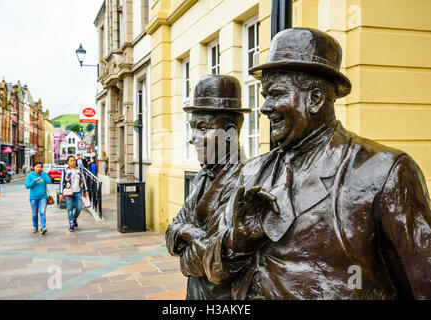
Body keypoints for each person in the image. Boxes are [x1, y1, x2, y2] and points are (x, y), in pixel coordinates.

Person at [203, 28, 431, 299]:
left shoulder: (383, 171)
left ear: (315, 99)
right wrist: (236, 243)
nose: (264, 107)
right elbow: (212, 271)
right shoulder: (252, 173)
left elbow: (423, 281)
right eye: (265, 96)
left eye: (275, 94)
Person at [166, 75, 249, 300]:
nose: (193, 138)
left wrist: (185, 235)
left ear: (230, 133)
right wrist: (189, 231)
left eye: (203, 128)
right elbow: (171, 231)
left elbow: (210, 264)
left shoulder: (246, 182)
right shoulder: (202, 176)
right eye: (193, 128)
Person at [59, 155, 89, 232]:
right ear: (68, 162)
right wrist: (61, 193)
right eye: (71, 161)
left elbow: (84, 180)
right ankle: (71, 223)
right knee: (69, 208)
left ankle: (74, 218)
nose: (73, 162)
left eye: (74, 160)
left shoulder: (80, 170)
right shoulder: (65, 171)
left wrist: (86, 190)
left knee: (79, 207)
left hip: (78, 192)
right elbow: (62, 182)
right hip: (68, 193)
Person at [25, 162, 51, 234]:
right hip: (33, 198)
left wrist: (45, 174)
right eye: (37, 167)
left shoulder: (43, 175)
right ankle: (35, 226)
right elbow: (27, 186)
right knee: (34, 214)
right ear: (34, 167)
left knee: (42, 212)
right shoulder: (30, 176)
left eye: (40, 167)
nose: (39, 168)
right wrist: (34, 181)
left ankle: (43, 227)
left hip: (43, 197)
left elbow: (49, 181)